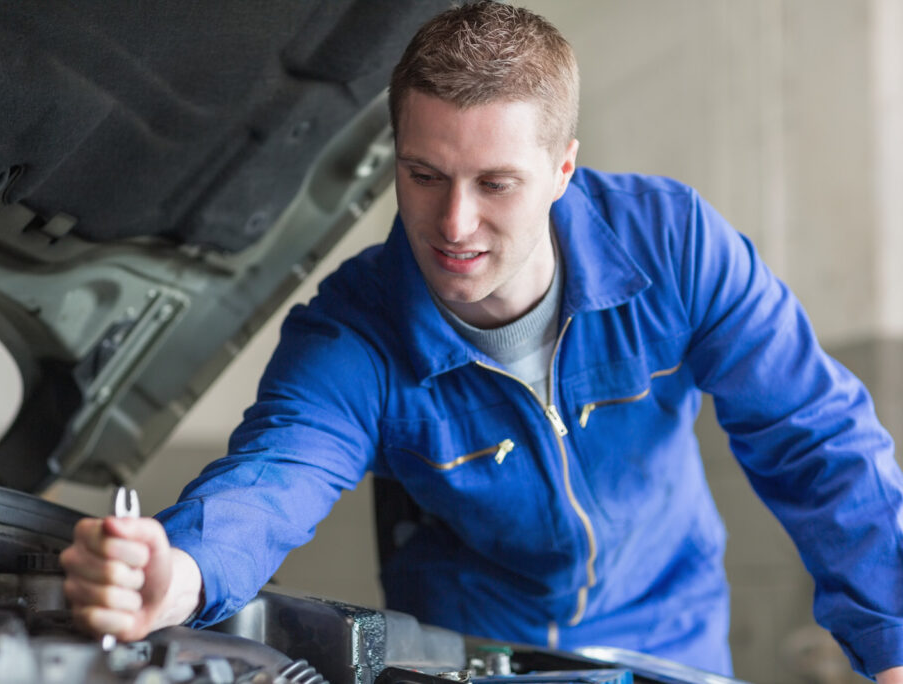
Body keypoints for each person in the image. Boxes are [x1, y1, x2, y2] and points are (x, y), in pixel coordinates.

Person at [59, 3, 903, 680]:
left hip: (670, 636)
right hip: (472, 654)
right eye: (424, 176)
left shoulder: (676, 247)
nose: (454, 224)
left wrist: (894, 640)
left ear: (564, 169)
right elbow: (273, 479)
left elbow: (818, 441)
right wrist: (181, 575)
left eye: (496, 183)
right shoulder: (355, 331)